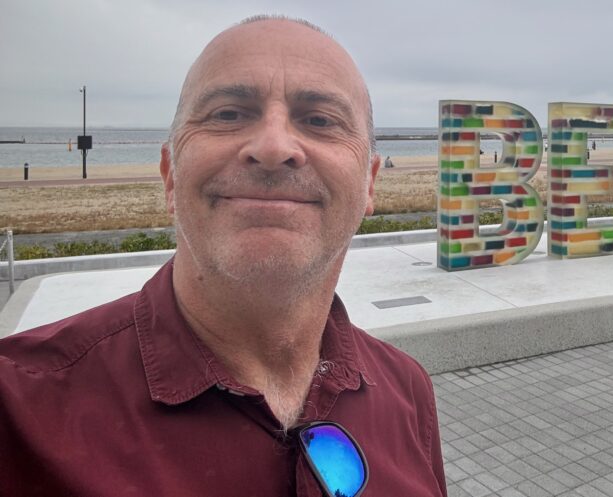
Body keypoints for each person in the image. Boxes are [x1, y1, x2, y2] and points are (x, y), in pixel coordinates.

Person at [0, 16, 447, 497]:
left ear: (370, 183)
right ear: (170, 174)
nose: (274, 147)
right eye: (228, 114)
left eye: (320, 120)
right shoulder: (20, 413)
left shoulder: (408, 391)